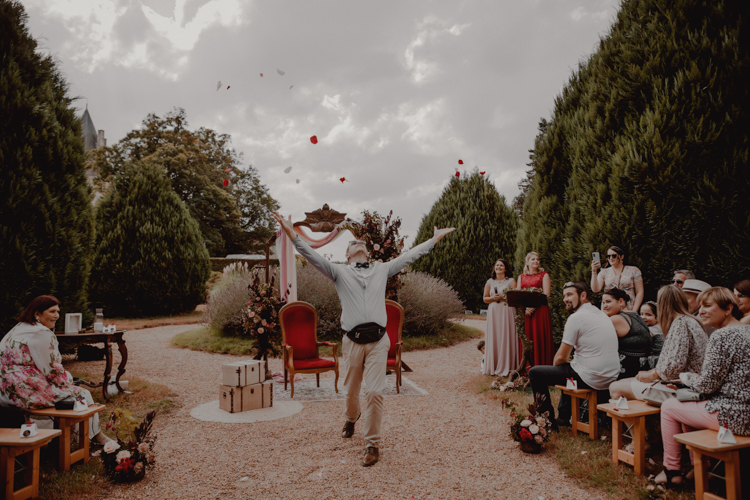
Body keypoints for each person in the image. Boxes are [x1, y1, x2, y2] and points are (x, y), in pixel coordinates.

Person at [272, 212, 454, 467]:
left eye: (361, 243)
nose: (357, 243)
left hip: (379, 341)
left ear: (367, 252)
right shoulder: (338, 272)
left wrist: (433, 240)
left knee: (376, 391)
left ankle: (372, 444)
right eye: (352, 243)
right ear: (347, 255)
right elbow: (311, 256)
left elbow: (409, 256)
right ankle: (351, 417)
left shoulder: (382, 269)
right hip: (353, 342)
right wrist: (291, 233)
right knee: (351, 392)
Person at [655, 287, 750, 486]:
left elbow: (707, 385)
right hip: (743, 411)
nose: (701, 312)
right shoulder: (746, 330)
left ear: (728, 309)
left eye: (707, 306)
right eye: (700, 307)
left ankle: (672, 472)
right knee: (688, 406)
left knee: (669, 407)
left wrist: (686, 377)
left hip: (735, 417)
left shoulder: (721, 336)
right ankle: (701, 468)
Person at [0, 295, 111, 445]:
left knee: (70, 392)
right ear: (37, 313)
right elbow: (53, 371)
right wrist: (70, 380)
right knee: (82, 394)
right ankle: (89, 438)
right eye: (52, 311)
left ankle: (73, 437)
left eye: (58, 311)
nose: (57, 315)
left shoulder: (18, 328)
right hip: (25, 391)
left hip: (5, 391)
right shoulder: (41, 332)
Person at [528, 281, 620, 430]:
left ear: (583, 296)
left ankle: (547, 422)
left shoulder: (576, 318)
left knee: (536, 373)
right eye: (564, 295)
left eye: (569, 294)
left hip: (593, 377)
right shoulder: (601, 314)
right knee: (571, 368)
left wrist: (556, 369)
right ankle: (564, 416)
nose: (565, 299)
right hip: (611, 376)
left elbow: (560, 358)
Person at [608, 285, 707, 401]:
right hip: (690, 384)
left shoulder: (680, 323)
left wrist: (650, 375)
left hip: (684, 389)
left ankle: (648, 419)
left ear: (662, 304)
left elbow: (673, 368)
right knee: (626, 382)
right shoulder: (691, 321)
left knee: (615, 388)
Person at [600, 288, 652, 379]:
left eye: (608, 302)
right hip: (646, 366)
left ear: (620, 301)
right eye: (603, 303)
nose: (604, 306)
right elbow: (650, 335)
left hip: (627, 370)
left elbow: (599, 344)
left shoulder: (616, 319)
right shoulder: (636, 316)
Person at [482, 259, 518, 376]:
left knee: (506, 335)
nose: (498, 267)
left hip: (507, 311)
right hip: (494, 311)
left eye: (501, 265)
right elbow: (485, 298)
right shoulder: (490, 282)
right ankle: (494, 365)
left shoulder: (511, 281)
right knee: (495, 336)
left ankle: (507, 365)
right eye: (497, 265)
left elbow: (515, 296)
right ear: (494, 268)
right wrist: (493, 298)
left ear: (505, 268)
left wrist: (503, 297)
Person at [517, 251, 553, 366]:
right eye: (533, 259)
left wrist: (532, 306)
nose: (536, 261)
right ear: (527, 262)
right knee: (527, 338)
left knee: (539, 338)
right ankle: (526, 368)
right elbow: (518, 294)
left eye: (537, 259)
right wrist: (525, 308)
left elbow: (546, 294)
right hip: (525, 312)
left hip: (540, 310)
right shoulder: (521, 277)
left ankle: (542, 366)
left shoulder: (544, 275)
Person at [591, 246, 644, 312]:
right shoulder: (604, 272)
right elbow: (595, 289)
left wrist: (634, 311)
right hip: (609, 308)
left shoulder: (634, 270)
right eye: (608, 256)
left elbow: (640, 292)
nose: (611, 258)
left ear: (622, 256)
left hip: (628, 307)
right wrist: (594, 271)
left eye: (614, 256)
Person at [639, 301, 663, 370]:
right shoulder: (660, 327)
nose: (643, 317)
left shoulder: (652, 330)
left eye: (648, 315)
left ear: (658, 316)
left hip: (654, 363)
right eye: (641, 314)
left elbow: (640, 340)